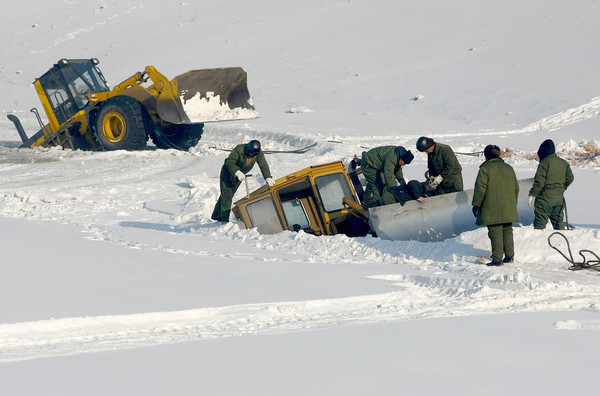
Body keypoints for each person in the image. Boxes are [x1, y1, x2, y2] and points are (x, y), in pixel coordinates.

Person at [471, 145, 519, 266]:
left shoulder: (485, 169)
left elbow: (480, 189)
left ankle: (497, 259)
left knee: (495, 232)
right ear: (498, 154)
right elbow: (516, 188)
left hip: (491, 207)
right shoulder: (508, 168)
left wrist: (476, 204)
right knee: (507, 230)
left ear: (486, 155)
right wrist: (512, 203)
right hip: (508, 206)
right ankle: (509, 257)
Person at [211, 140, 275, 223]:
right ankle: (224, 219)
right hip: (228, 173)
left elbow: (263, 165)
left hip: (240, 176)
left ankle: (216, 215)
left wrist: (268, 177)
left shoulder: (258, 153)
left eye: (254, 154)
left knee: (227, 194)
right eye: (251, 153)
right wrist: (237, 172)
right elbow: (229, 162)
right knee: (227, 196)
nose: (252, 155)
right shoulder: (239, 149)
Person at [528, 139, 574, 230]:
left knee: (540, 225)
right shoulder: (563, 163)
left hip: (544, 199)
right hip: (559, 199)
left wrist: (532, 194)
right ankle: (562, 242)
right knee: (558, 223)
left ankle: (539, 243)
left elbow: (539, 182)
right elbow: (570, 178)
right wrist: (561, 188)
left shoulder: (544, 163)